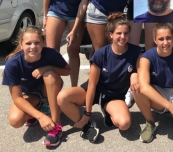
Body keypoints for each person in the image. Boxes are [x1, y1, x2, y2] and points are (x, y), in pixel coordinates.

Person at [57, 12, 142, 142]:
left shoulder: (135, 52)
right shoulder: (101, 54)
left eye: (126, 33)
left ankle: (108, 111)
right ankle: (86, 125)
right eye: (119, 33)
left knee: (125, 124)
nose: (123, 37)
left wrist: (135, 73)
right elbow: (92, 85)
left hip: (113, 96)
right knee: (62, 97)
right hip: (95, 90)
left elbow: (148, 62)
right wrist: (87, 114)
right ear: (111, 34)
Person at [2, 27, 70, 147]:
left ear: (43, 42)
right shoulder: (13, 64)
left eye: (37, 42)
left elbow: (68, 70)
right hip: (32, 94)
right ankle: (40, 110)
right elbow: (17, 98)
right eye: (28, 43)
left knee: (49, 75)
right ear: (21, 45)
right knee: (15, 120)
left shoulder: (51, 54)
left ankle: (56, 125)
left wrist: (49, 67)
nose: (33, 47)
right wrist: (41, 117)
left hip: (50, 87)